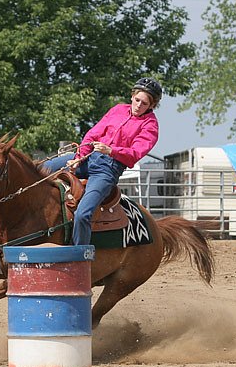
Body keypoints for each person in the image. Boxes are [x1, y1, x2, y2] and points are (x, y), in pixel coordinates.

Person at [43, 77, 161, 246]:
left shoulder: (150, 126)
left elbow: (135, 153)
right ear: (132, 96)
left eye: (144, 103)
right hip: (88, 158)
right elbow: (93, 134)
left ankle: (80, 255)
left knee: (83, 213)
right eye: (137, 100)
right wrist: (77, 158)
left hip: (108, 170)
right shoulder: (118, 109)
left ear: (151, 105)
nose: (138, 106)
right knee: (40, 169)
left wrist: (111, 151)